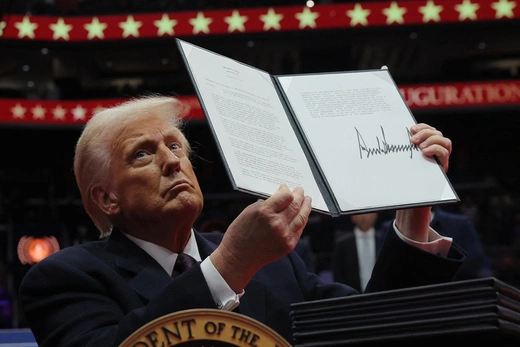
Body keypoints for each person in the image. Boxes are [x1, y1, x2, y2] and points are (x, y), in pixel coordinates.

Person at [18, 96, 465, 347]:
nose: (172, 162)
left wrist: (414, 211)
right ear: (106, 199)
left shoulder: (277, 264)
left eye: (176, 146)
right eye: (143, 154)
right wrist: (229, 265)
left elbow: (376, 330)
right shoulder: (63, 278)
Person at [381, 205, 493, 280]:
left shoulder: (460, 224)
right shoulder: (388, 228)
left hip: (452, 298)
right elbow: (383, 269)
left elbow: (475, 260)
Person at [332, 212, 384, 293]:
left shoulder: (383, 241)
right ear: (352, 216)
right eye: (360, 212)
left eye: (367, 212)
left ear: (376, 214)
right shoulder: (342, 245)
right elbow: (338, 277)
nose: (364, 216)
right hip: (352, 298)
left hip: (381, 296)